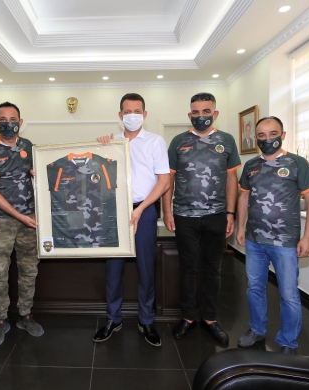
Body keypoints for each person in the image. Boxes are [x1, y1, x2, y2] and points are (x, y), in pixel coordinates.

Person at [235, 116, 309, 355]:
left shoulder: (297, 163)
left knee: (288, 293)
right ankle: (257, 329)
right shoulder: (251, 165)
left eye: (273, 134)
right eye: (261, 135)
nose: (267, 139)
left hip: (285, 242)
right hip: (254, 240)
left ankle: (288, 341)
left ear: (283, 135)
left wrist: (308, 237)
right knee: (254, 287)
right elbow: (244, 196)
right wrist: (240, 227)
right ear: (256, 138)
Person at [163, 92, 241, 345]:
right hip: (184, 216)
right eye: (196, 112)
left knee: (213, 268)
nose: (201, 116)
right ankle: (187, 317)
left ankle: (210, 318)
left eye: (206, 111)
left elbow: (232, 179)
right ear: (190, 115)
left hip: (216, 215)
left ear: (215, 113)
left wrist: (231, 213)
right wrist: (167, 212)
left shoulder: (226, 140)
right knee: (187, 268)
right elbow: (168, 179)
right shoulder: (178, 141)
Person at [93, 93, 171, 347]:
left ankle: (146, 321)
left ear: (145, 114)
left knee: (146, 267)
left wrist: (141, 209)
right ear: (120, 115)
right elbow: (96, 176)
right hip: (115, 210)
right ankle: (112, 319)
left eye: (137, 111)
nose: (132, 116)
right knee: (113, 268)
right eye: (127, 112)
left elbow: (164, 181)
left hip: (145, 210)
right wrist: (100, 147)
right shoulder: (111, 142)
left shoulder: (155, 142)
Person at [0, 101, 43, 347]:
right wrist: (20, 216)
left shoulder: (29, 146)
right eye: (3, 120)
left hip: (30, 220)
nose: (8, 123)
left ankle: (25, 315)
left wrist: (38, 173)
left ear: (20, 122)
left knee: (29, 269)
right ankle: (0, 320)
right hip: (0, 221)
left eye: (13, 119)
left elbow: (41, 176)